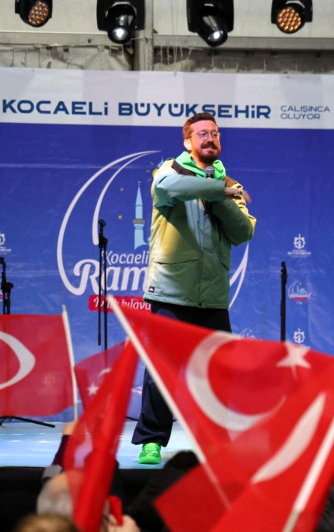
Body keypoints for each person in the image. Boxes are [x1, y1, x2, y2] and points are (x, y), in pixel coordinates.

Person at [133, 112, 257, 465]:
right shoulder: (170, 170)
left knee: (218, 374)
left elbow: (244, 231)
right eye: (202, 133)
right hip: (172, 291)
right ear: (188, 142)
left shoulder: (228, 185)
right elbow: (167, 189)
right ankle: (151, 441)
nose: (210, 138)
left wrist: (221, 195)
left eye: (215, 133)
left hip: (213, 297)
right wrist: (219, 189)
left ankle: (215, 440)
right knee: (162, 370)